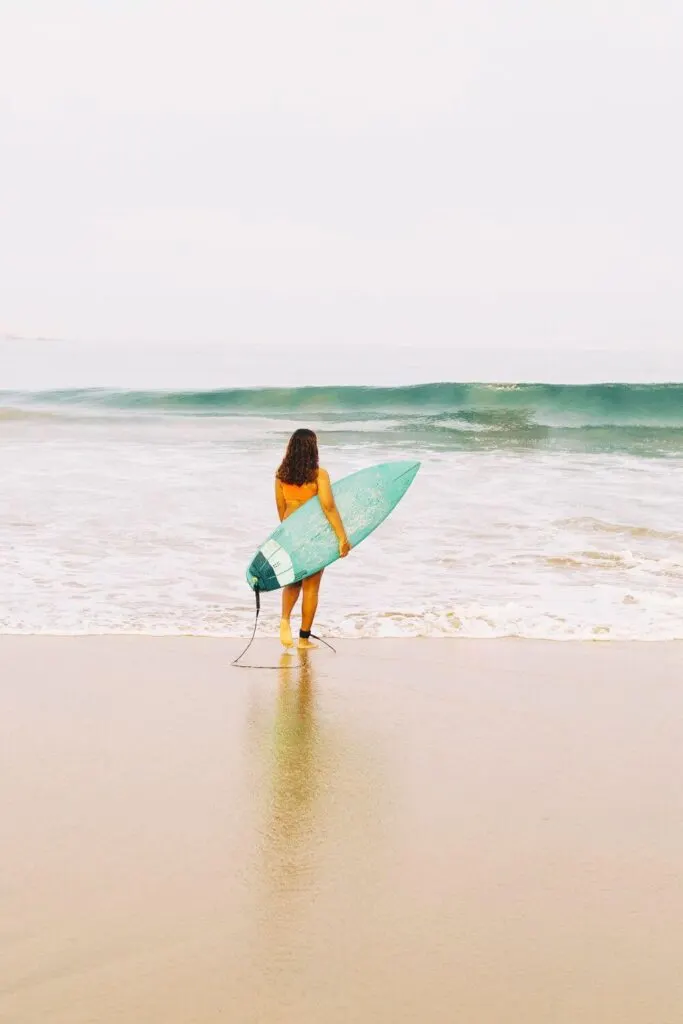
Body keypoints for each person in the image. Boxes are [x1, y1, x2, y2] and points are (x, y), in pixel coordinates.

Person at [275, 428, 350, 649]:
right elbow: (328, 506)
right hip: (313, 532)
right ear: (312, 448)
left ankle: (284, 620)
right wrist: (342, 537)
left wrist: (288, 530)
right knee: (311, 587)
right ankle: (303, 639)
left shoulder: (281, 474)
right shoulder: (319, 475)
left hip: (290, 531)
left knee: (293, 581)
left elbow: (281, 506)